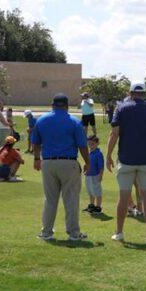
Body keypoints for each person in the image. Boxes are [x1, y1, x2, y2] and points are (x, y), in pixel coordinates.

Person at [106, 82, 146, 243]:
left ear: (130, 93)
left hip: (126, 159)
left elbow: (114, 133)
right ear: (144, 94)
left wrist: (108, 155)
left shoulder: (121, 109)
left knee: (123, 197)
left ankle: (119, 233)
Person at [31, 93, 90, 242]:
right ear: (67, 106)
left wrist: (36, 159)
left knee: (50, 199)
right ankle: (73, 233)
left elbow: (36, 142)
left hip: (48, 162)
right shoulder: (74, 121)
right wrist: (87, 162)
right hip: (68, 162)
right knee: (71, 199)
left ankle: (46, 232)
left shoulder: (41, 120)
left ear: (52, 105)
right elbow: (82, 145)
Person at [84, 135, 105, 214]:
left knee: (97, 191)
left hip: (95, 175)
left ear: (97, 143)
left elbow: (101, 166)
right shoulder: (90, 153)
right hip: (88, 175)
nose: (90, 146)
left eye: (92, 144)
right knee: (90, 190)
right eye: (89, 144)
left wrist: (101, 175)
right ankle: (92, 205)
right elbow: (88, 163)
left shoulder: (98, 154)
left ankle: (98, 207)